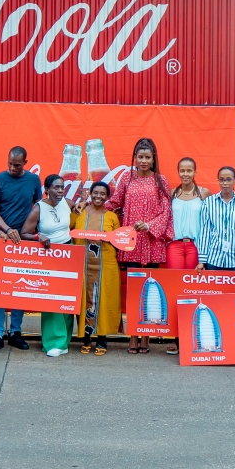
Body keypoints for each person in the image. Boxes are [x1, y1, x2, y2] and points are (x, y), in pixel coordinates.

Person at [104, 137, 173, 354]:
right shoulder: (127, 177)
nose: (143, 161)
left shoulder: (161, 181)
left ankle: (146, 338)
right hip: (131, 243)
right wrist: (91, 204)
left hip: (151, 243)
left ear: (154, 159)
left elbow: (166, 211)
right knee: (134, 292)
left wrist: (150, 225)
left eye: (147, 157)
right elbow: (114, 202)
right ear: (135, 158)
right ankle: (133, 336)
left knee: (150, 292)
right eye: (140, 157)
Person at [0, 146, 43, 353]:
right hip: (2, 240)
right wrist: (7, 230)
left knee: (20, 285)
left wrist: (30, 234)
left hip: (25, 242)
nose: (12, 167)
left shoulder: (34, 181)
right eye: (9, 163)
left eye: (17, 165)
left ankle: (16, 332)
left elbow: (38, 207)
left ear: (25, 163)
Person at [20, 174, 76, 357]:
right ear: (47, 189)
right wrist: (38, 236)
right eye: (56, 188)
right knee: (52, 299)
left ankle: (65, 342)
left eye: (62, 187)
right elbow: (24, 233)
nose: (60, 191)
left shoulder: (67, 203)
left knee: (67, 299)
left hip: (69, 253)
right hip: (49, 255)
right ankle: (53, 343)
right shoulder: (39, 208)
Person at [71, 181, 121, 357]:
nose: (98, 196)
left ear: (107, 197)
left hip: (106, 264)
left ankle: (101, 339)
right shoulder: (79, 213)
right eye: (95, 193)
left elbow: (118, 241)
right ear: (89, 194)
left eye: (102, 194)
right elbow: (67, 228)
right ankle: (85, 338)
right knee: (84, 299)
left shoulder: (112, 217)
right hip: (82, 264)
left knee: (104, 301)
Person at [196, 166, 235, 272]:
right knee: (214, 289)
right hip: (214, 260)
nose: (225, 183)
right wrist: (202, 260)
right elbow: (204, 233)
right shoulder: (209, 203)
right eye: (222, 180)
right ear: (218, 181)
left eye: (229, 179)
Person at [168, 157, 208, 270]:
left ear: (195, 172)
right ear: (178, 172)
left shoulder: (204, 193)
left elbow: (213, 219)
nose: (185, 174)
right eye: (182, 170)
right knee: (175, 279)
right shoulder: (172, 193)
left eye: (189, 171)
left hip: (196, 245)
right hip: (175, 244)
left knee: (192, 281)